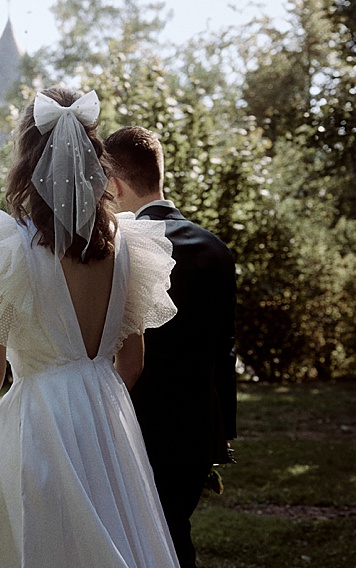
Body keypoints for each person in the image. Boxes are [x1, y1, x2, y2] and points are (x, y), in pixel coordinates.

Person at [0, 89, 182, 567]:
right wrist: (91, 394)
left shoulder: (10, 248)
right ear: (94, 159)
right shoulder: (129, 246)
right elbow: (133, 360)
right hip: (109, 419)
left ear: (28, 160)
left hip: (40, 420)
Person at [104, 126, 238, 568]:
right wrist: (223, 436)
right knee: (175, 535)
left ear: (115, 184)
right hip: (194, 432)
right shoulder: (216, 249)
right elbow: (225, 352)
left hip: (131, 426)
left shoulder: (118, 250)